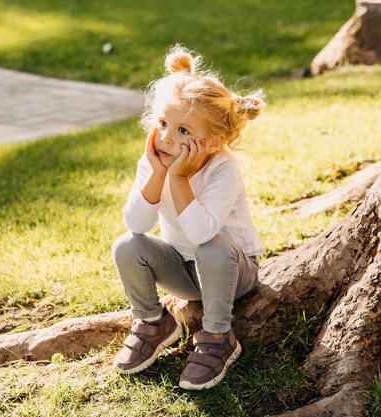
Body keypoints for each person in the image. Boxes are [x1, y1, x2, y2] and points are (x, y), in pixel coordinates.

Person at [111, 44, 264, 390]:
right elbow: (136, 224)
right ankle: (154, 323)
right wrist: (157, 174)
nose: (165, 137)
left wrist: (179, 178)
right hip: (183, 268)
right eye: (163, 123)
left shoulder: (223, 169)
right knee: (127, 246)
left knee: (212, 248)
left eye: (182, 131)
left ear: (212, 142)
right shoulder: (155, 161)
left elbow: (201, 234)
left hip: (232, 271)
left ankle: (217, 336)